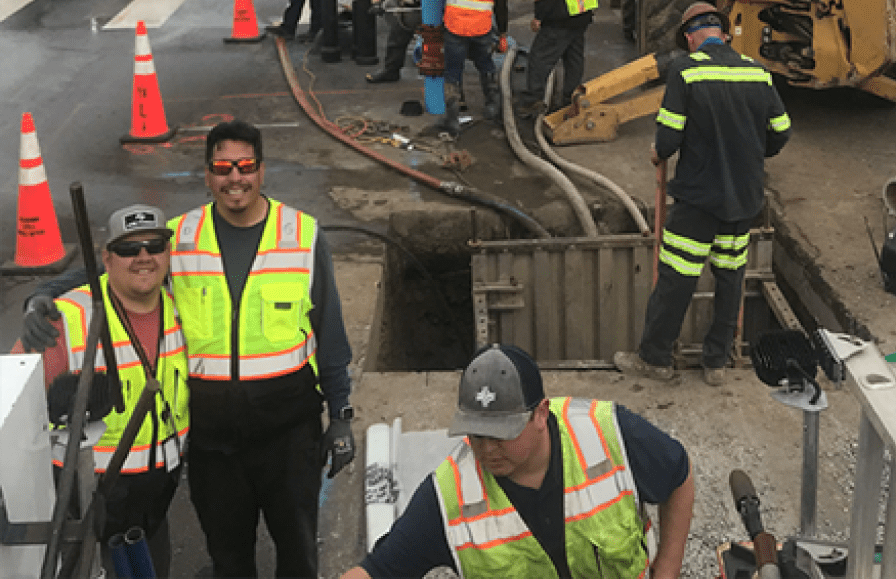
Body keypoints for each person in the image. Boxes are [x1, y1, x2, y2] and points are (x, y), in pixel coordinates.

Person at [22, 119, 356, 579]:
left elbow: (331, 335)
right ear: (207, 173)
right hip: (214, 445)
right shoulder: (178, 237)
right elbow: (113, 270)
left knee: (298, 555)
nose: (234, 177)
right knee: (228, 556)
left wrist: (341, 415)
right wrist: (43, 296)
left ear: (261, 170)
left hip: (289, 436)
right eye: (222, 166)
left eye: (245, 165)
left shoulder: (301, 234)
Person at [340, 343, 694, 579]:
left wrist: (667, 566)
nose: (487, 449)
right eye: (476, 434)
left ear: (541, 414)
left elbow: (679, 475)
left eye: (501, 433)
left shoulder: (608, 434)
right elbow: (378, 571)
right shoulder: (450, 497)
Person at [615, 3, 792, 385]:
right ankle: (715, 363)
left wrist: (658, 153)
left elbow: (668, 136)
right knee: (730, 278)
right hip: (743, 199)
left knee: (677, 277)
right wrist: (751, 153)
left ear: (691, 37)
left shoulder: (687, 70)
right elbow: (780, 131)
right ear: (724, 34)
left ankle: (656, 358)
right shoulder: (758, 73)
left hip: (698, 199)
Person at [30, 205, 189, 579]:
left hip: (156, 495)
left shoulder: (182, 307)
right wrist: (48, 409)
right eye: (129, 250)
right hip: (88, 498)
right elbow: (13, 407)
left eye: (154, 246)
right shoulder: (68, 317)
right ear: (107, 258)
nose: (144, 258)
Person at [427, 0, 509, 133]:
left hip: (455, 27)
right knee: (485, 65)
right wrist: (502, 35)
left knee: (453, 71)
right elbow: (501, 10)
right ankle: (492, 106)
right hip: (481, 29)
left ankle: (452, 119)